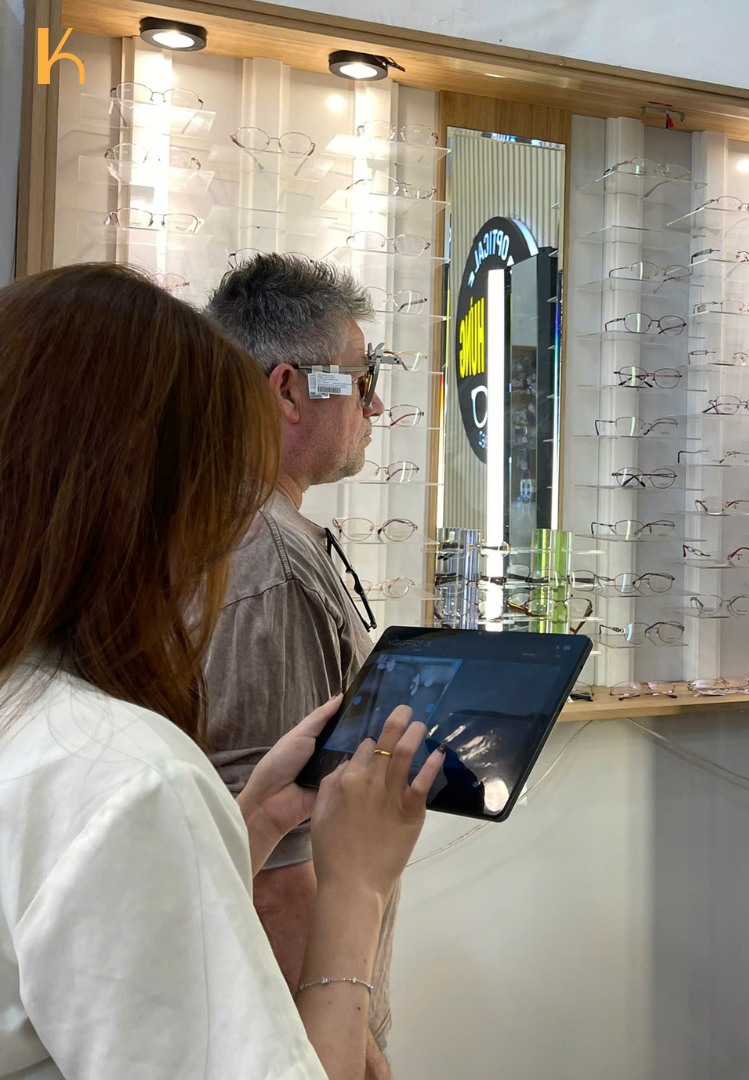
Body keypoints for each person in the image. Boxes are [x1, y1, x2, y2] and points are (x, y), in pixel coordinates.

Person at [0, 262, 444, 1078]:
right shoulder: (128, 774)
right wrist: (356, 889)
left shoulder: (28, 707)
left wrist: (248, 823)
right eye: (217, 452)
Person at [201, 254, 397, 1074]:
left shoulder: (242, 530)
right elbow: (278, 873)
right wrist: (354, 1055)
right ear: (288, 390)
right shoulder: (268, 560)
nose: (374, 405)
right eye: (361, 379)